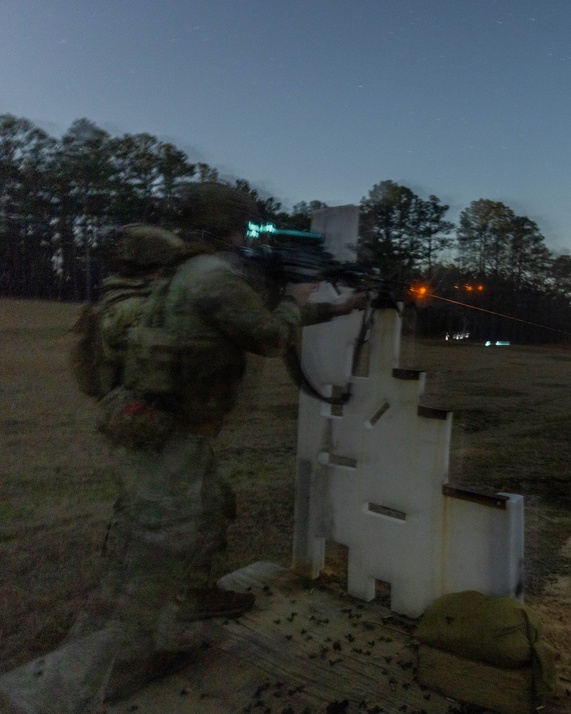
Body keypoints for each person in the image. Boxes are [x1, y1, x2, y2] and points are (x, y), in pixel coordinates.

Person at [64, 183, 366, 709]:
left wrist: (334, 309)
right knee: (158, 547)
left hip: (174, 431)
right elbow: (269, 335)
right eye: (243, 228)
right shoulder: (207, 277)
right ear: (230, 228)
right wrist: (296, 299)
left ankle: (195, 597)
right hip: (164, 434)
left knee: (208, 511)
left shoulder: (189, 274)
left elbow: (241, 317)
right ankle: (121, 663)